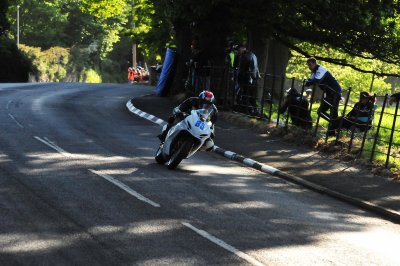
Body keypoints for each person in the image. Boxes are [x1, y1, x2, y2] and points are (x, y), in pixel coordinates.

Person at [236, 44, 260, 112]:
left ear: (243, 48)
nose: (238, 51)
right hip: (254, 79)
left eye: (239, 49)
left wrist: (238, 80)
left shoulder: (244, 56)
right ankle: (255, 111)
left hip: (246, 79)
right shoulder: (253, 55)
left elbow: (241, 70)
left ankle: (247, 111)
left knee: (242, 97)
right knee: (252, 98)